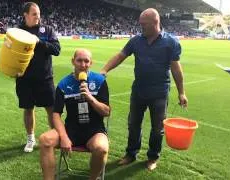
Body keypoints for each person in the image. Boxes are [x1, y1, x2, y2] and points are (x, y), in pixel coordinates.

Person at [100, 8, 188, 170]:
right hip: (139, 90)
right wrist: (104, 70)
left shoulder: (171, 42)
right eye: (140, 24)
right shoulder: (136, 40)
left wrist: (181, 92)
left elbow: (176, 69)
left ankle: (153, 157)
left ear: (155, 22)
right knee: (133, 123)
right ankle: (131, 154)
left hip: (159, 92)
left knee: (157, 128)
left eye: (144, 24)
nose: (141, 27)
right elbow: (120, 56)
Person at [39, 49, 110, 180]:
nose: (83, 64)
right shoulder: (63, 84)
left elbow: (106, 111)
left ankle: (93, 178)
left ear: (91, 63)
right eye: (79, 60)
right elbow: (56, 114)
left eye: (86, 61)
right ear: (73, 61)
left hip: (94, 130)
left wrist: (90, 98)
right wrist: (64, 137)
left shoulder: (99, 81)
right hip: (71, 129)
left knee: (101, 148)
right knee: (45, 140)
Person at [16, 2, 61, 152]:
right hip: (24, 80)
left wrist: (39, 42)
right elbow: (11, 52)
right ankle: (30, 139)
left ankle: (56, 137)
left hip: (45, 78)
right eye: (34, 14)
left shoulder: (47, 30)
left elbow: (56, 49)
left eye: (39, 14)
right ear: (26, 15)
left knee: (51, 109)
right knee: (28, 109)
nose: (38, 17)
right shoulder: (18, 31)